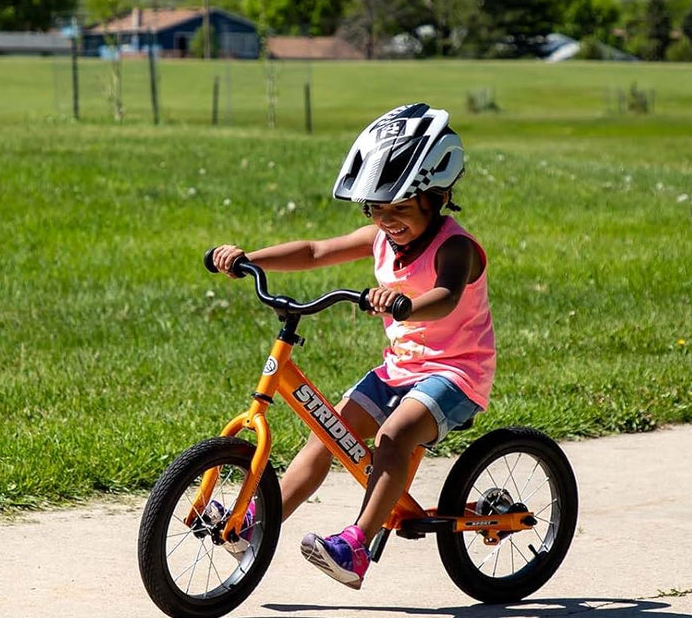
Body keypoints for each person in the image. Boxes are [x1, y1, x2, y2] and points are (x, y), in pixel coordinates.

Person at [210, 104, 495, 590]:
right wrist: (246, 258)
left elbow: (446, 297)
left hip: (457, 373)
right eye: (377, 210)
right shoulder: (381, 236)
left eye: (400, 209)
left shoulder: (455, 247)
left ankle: (356, 546)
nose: (388, 221)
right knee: (329, 433)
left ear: (438, 195)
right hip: (401, 367)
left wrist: (405, 303)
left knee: (393, 438)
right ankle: (256, 519)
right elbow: (316, 250)